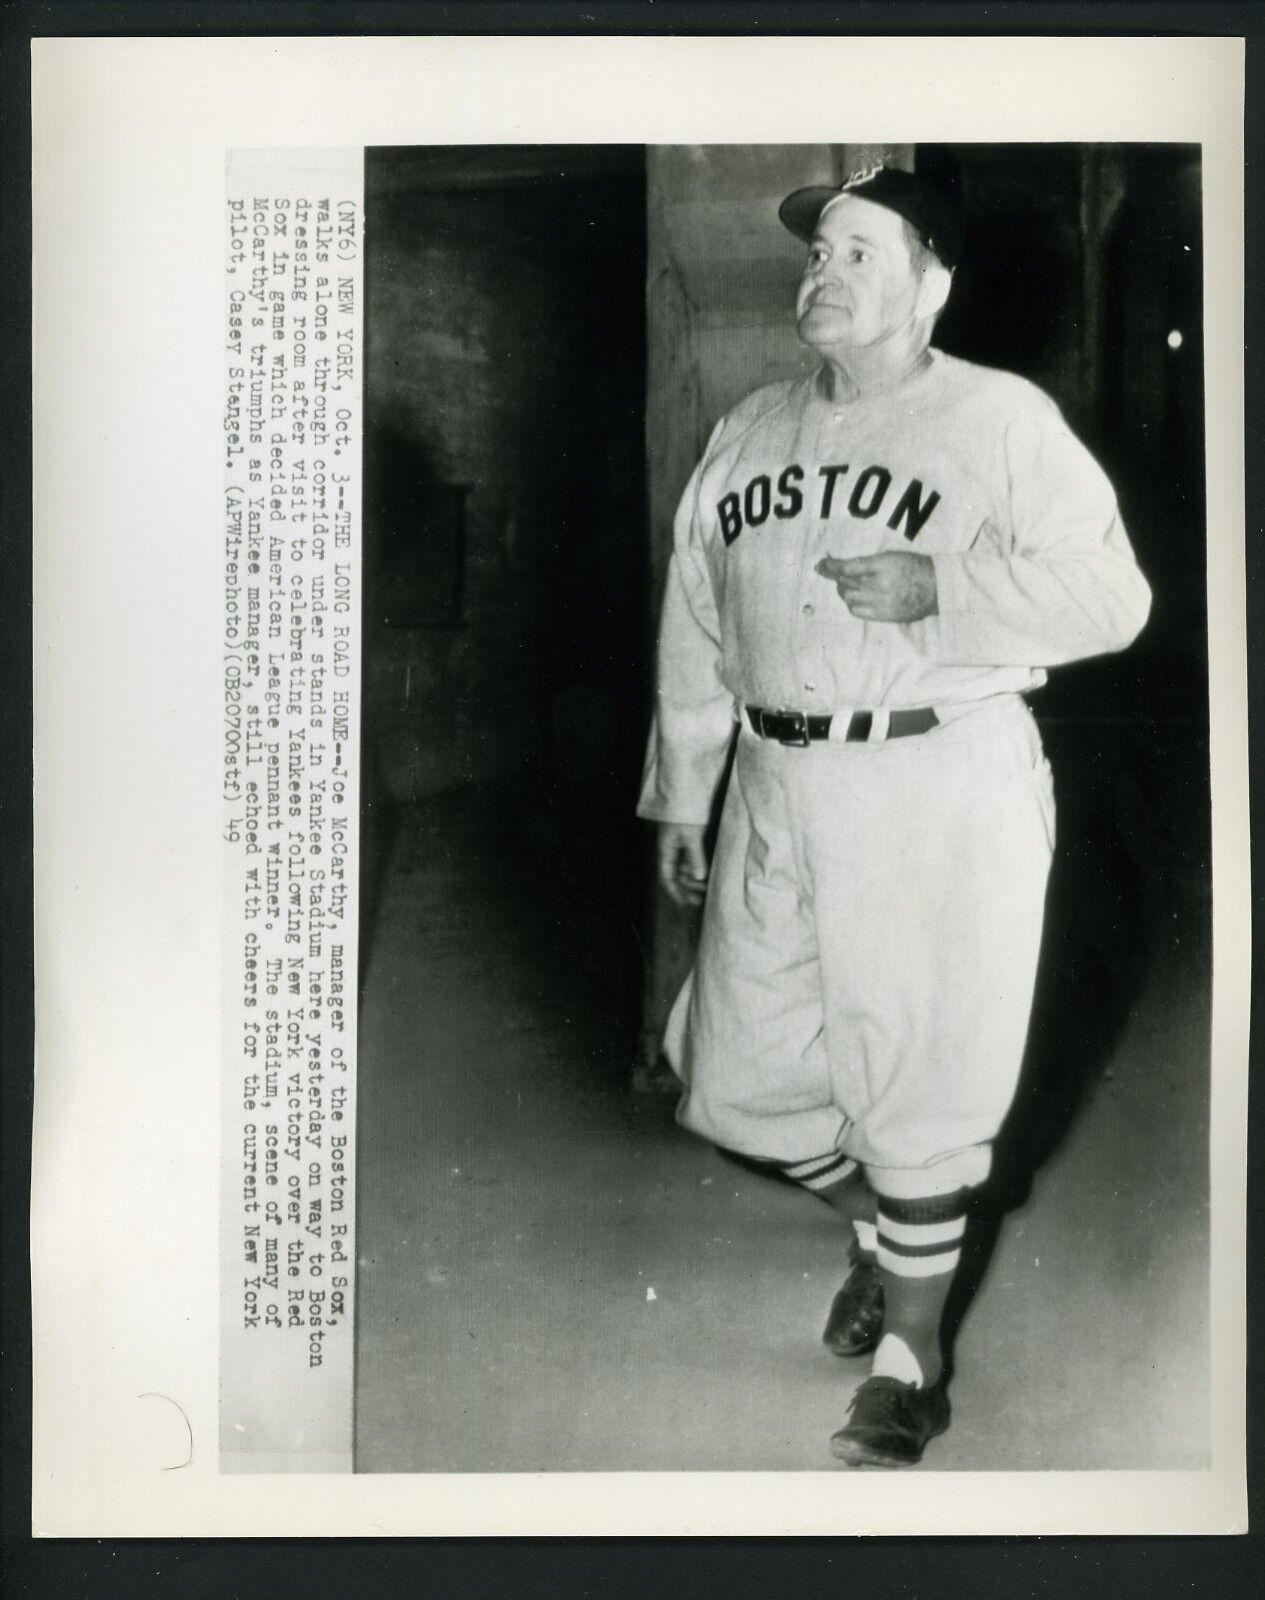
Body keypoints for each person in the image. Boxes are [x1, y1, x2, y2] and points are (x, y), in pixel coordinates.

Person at [637, 164, 1152, 1468]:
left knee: (920, 1079)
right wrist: (685, 792)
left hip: (933, 781)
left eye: (861, 253)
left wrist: (945, 588)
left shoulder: (994, 417)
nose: (824, 273)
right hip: (771, 777)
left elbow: (1112, 597)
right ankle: (899, 1236)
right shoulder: (748, 428)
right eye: (819, 254)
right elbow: (698, 625)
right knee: (734, 1087)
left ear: (932, 281)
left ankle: (908, 1358)